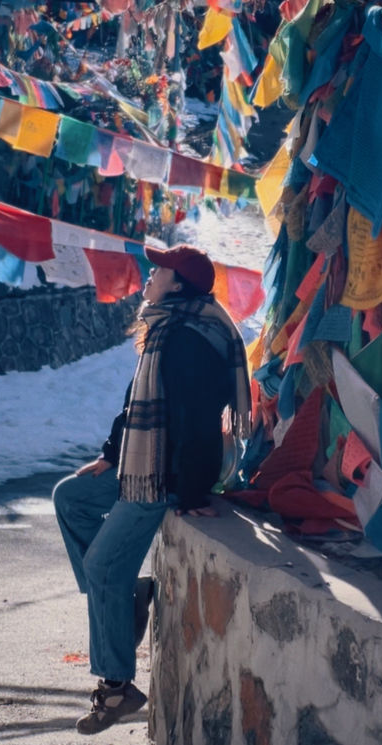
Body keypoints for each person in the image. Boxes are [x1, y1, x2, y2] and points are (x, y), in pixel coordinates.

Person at [52, 243, 251, 736]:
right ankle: (129, 595)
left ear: (178, 283)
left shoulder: (191, 341)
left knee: (101, 566)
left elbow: (198, 422)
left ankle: (117, 687)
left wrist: (189, 493)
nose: (148, 276)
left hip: (163, 478)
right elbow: (135, 403)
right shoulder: (165, 327)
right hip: (140, 465)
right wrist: (111, 453)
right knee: (70, 498)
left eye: (158, 270)